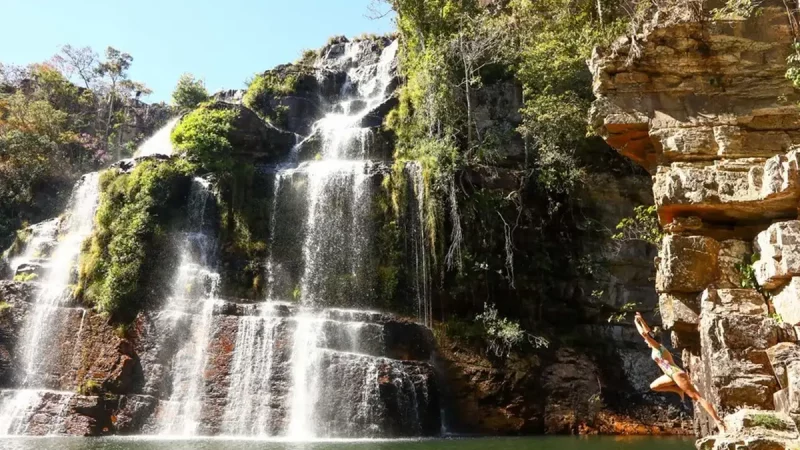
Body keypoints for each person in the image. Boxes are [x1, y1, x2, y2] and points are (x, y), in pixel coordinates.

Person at [634, 312, 727, 433]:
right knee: (654, 386)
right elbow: (648, 333)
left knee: (697, 398)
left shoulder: (658, 347)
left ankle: (718, 422)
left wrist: (636, 323)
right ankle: (678, 389)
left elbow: (645, 335)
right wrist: (641, 320)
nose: (646, 341)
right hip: (669, 375)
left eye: (648, 339)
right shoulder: (656, 346)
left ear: (653, 340)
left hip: (676, 374)